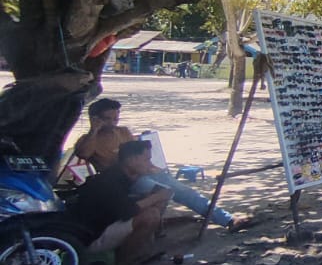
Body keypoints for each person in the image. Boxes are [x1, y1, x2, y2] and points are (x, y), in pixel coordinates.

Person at [73, 98, 250, 231]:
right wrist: (94, 130)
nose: (113, 123)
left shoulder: (123, 132)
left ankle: (226, 219)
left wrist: (154, 168)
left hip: (142, 173)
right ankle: (154, 227)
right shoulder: (88, 140)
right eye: (107, 119)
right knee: (166, 189)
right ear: (95, 119)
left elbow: (139, 155)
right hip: (121, 183)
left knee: (182, 189)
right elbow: (83, 154)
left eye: (115, 118)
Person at [70, 140, 172, 265]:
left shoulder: (122, 174)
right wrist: (157, 197)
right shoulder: (110, 180)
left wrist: (155, 193)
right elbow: (127, 211)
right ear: (130, 160)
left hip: (103, 225)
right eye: (146, 159)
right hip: (92, 237)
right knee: (150, 215)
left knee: (154, 200)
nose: (149, 163)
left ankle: (140, 251)